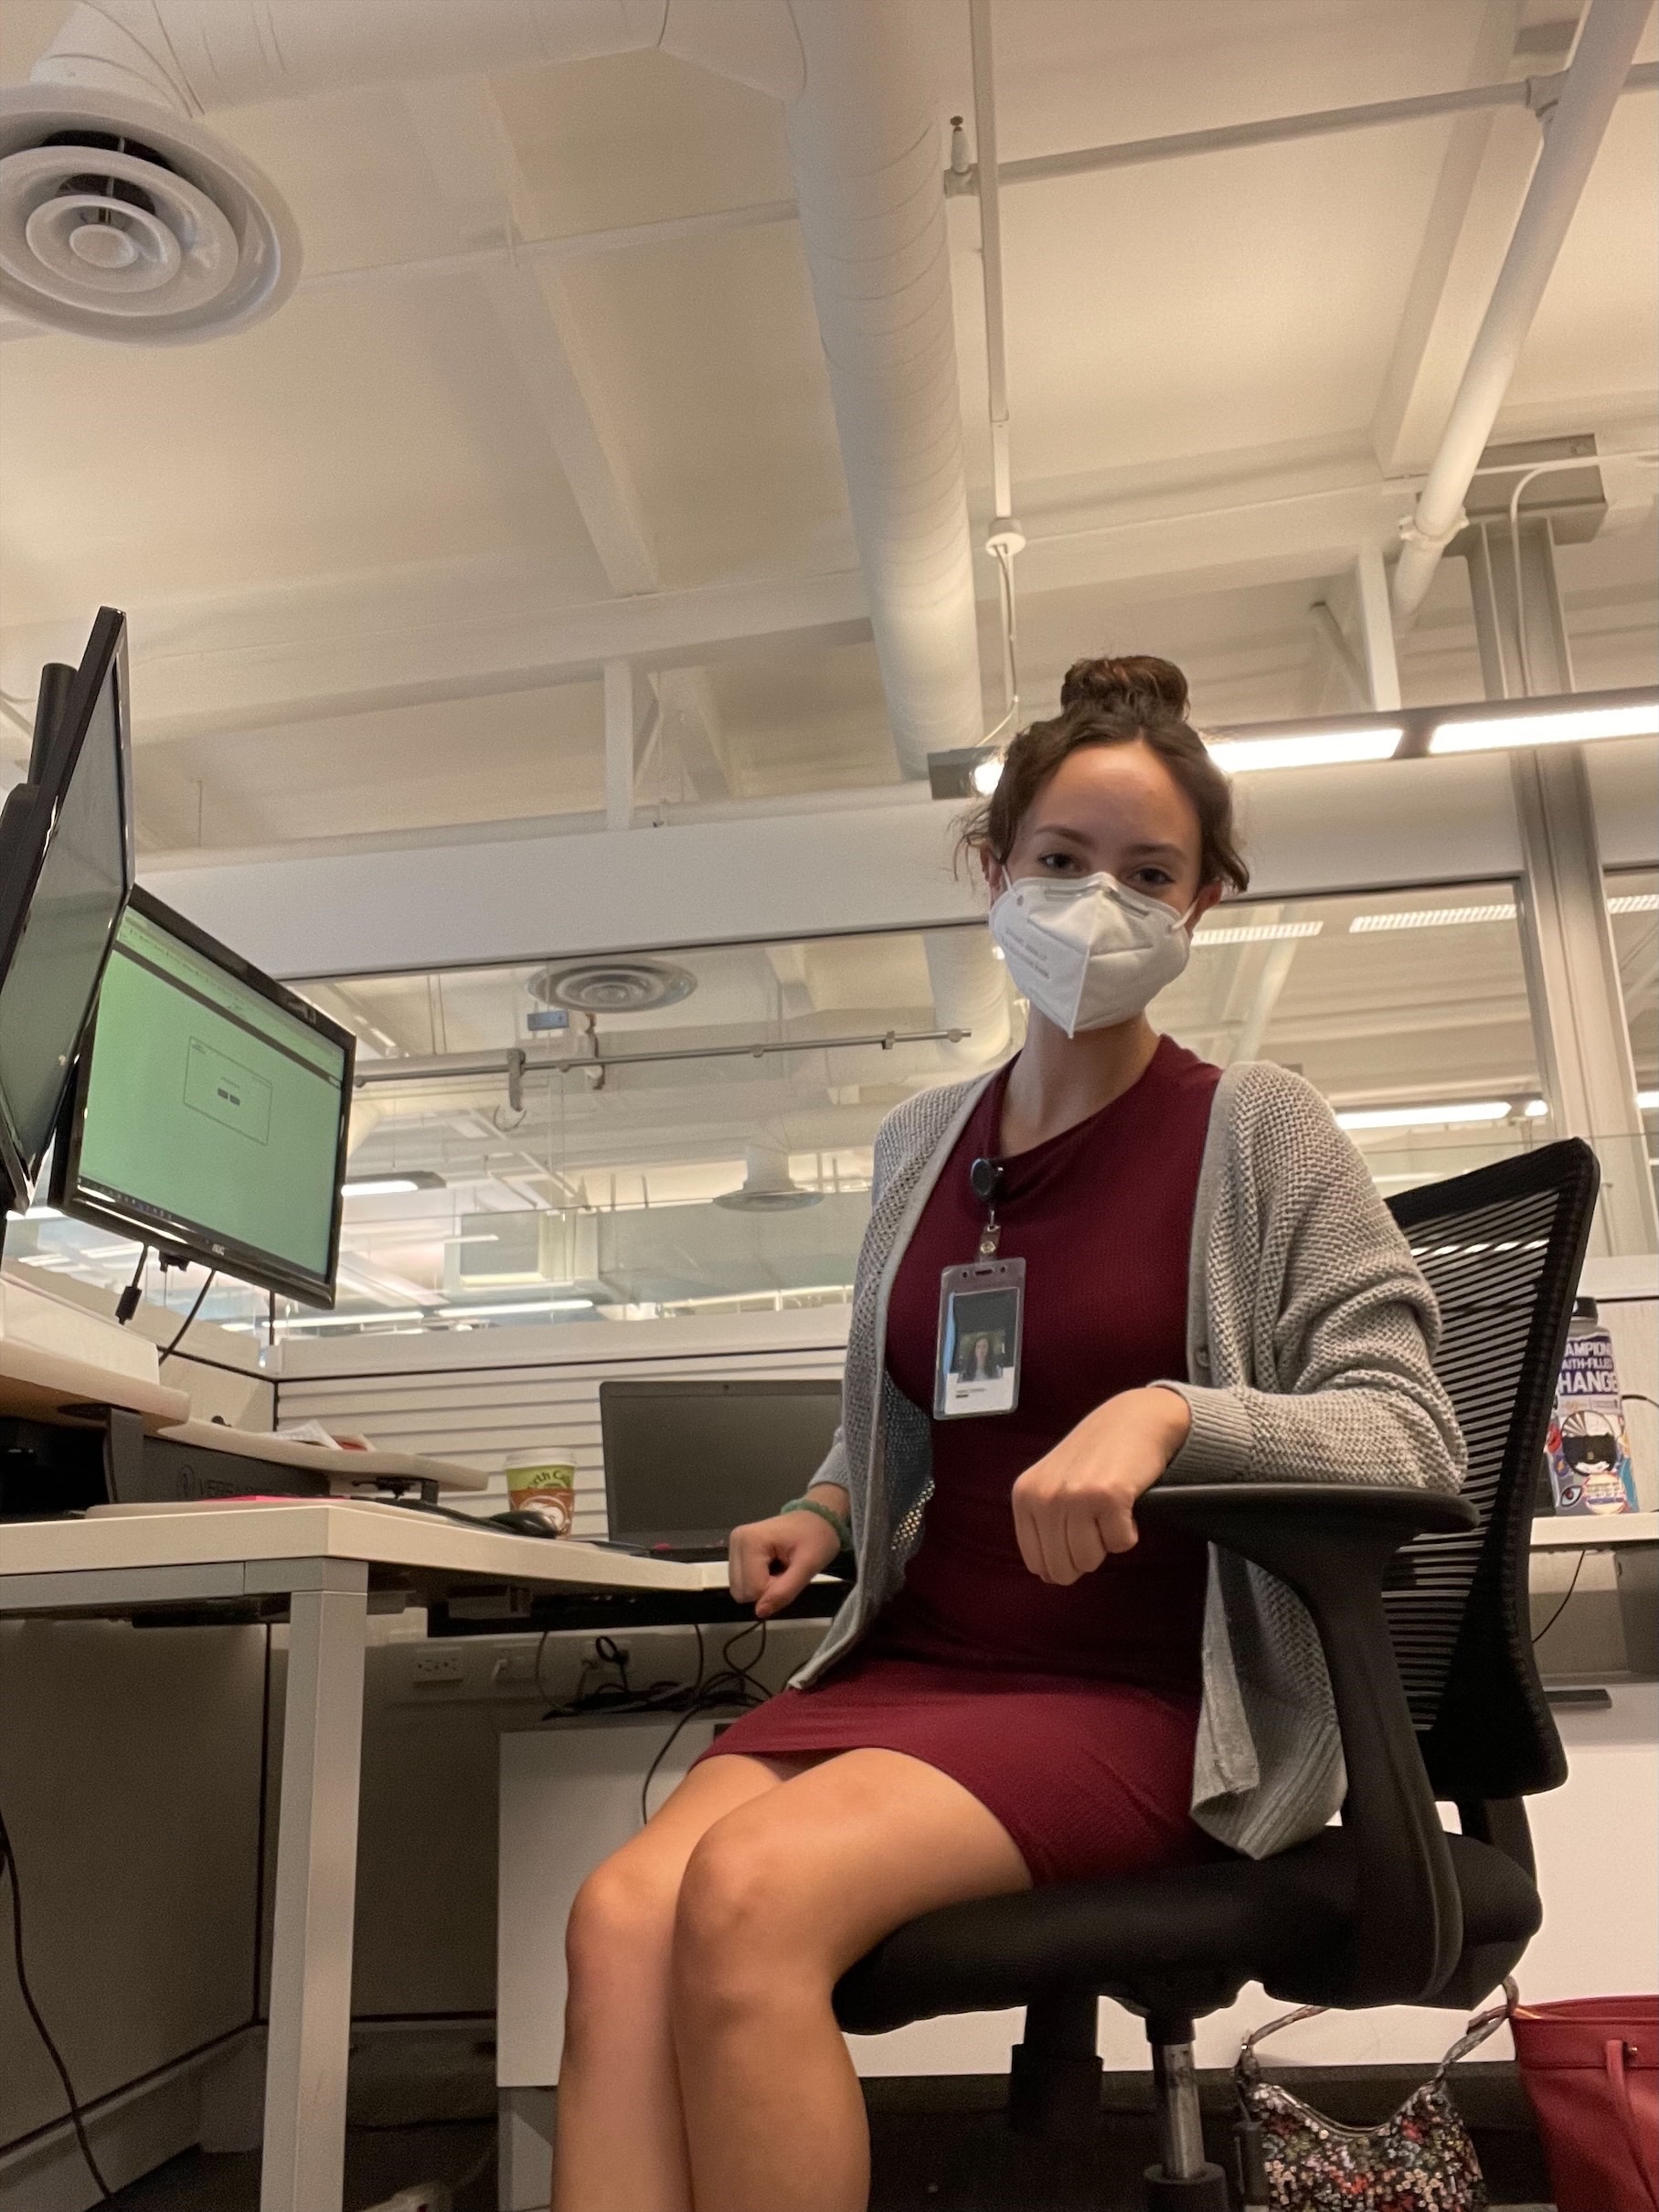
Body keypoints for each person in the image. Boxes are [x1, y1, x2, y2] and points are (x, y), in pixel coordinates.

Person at [552, 654, 1465, 2212]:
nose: (1099, 900)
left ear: (1203, 901)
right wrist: (832, 1505)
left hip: (1141, 1691)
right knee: (621, 1916)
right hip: (924, 1663)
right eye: (1060, 858)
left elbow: (1411, 1436)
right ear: (995, 869)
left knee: (750, 1893)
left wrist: (1173, 1411)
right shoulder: (925, 1143)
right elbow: (925, 1406)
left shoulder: (1261, 1128)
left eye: (1148, 872)